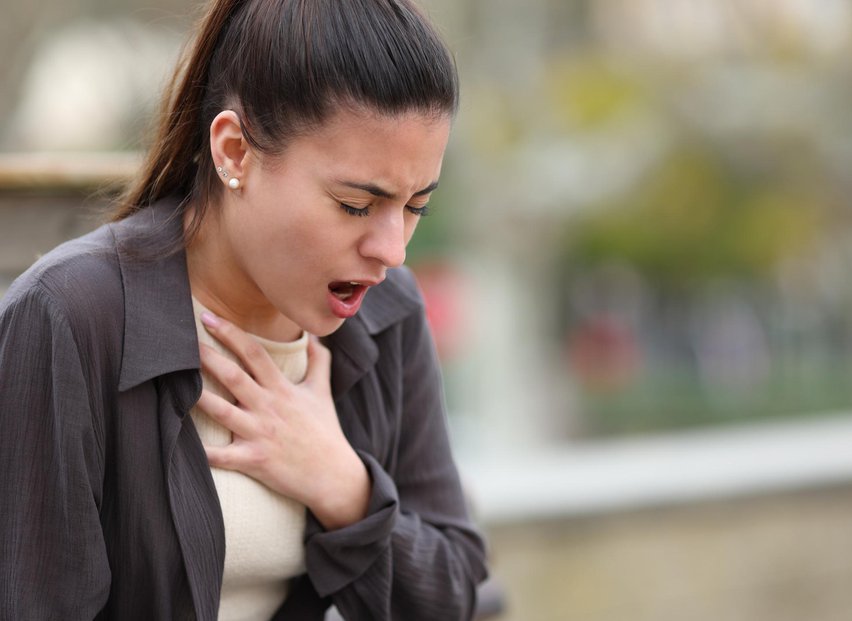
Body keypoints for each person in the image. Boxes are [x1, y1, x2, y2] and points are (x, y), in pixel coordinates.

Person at [0, 0, 489, 619]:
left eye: (416, 206)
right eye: (356, 205)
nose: (391, 250)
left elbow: (451, 599)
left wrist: (345, 488)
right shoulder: (69, 319)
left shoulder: (386, 314)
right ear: (234, 151)